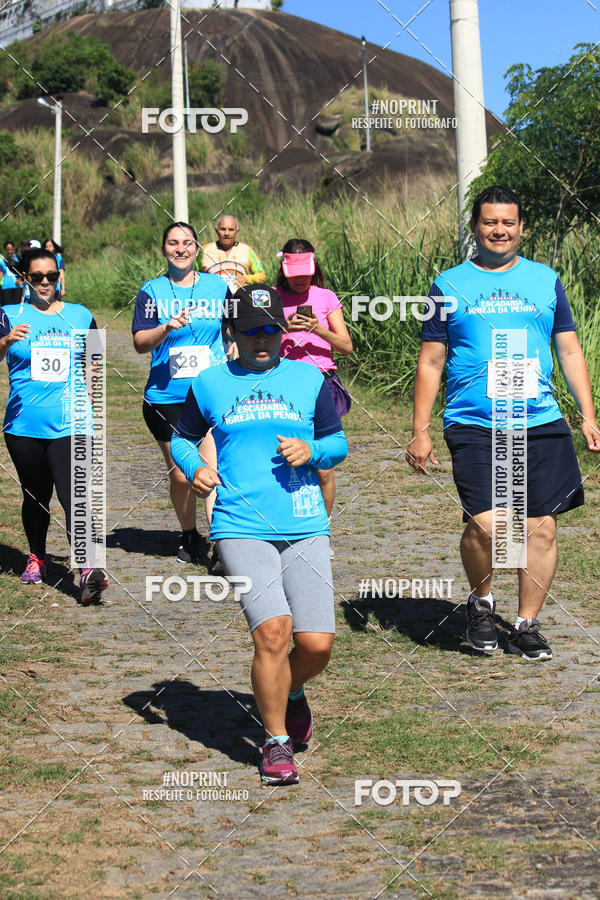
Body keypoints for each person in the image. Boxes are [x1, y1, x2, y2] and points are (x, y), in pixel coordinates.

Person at [407, 185, 600, 660]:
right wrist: (420, 429)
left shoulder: (545, 279)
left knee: (541, 528)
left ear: (520, 228)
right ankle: (481, 601)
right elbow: (431, 360)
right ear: (475, 227)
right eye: (490, 222)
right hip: (475, 420)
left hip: (539, 418)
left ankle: (526, 623)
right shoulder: (447, 283)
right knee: (490, 526)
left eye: (508, 222)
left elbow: (569, 349)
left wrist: (589, 414)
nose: (500, 230)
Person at [171, 285, 347, 785]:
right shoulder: (209, 383)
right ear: (232, 333)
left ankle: (289, 691)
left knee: (316, 644)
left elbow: (338, 443)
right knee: (273, 632)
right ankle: (275, 743)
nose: (262, 339)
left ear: (283, 330)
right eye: (250, 330)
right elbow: (182, 438)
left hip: (304, 522)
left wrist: (311, 450)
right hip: (240, 525)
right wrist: (193, 467)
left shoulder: (309, 379)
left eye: (271, 328)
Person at [0, 248, 108, 604]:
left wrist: (88, 398)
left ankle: (89, 568)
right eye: (37, 277)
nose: (44, 283)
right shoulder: (9, 314)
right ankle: (36, 556)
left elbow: (94, 360)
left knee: (73, 493)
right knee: (36, 495)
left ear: (59, 277)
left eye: (50, 276)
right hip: (24, 424)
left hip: (72, 422)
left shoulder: (81, 315)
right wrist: (5, 341)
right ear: (25, 280)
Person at [132, 221, 230, 564]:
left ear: (198, 248)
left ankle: (220, 543)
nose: (180, 248)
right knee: (180, 473)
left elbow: (236, 328)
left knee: (212, 469)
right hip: (165, 398)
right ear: (164, 249)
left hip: (209, 395)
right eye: (173, 242)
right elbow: (139, 344)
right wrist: (164, 327)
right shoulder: (151, 290)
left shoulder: (219, 287)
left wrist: (234, 350)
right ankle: (189, 534)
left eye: (187, 242)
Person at [276, 239, 353, 528]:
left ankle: (322, 529)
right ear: (284, 270)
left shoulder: (326, 297)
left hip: (322, 385)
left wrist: (318, 329)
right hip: (283, 385)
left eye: (305, 274)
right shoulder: (272, 296)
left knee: (323, 468)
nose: (300, 280)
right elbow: (256, 339)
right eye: (294, 275)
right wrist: (282, 328)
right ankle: (284, 525)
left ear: (314, 268)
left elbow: (346, 345)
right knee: (284, 460)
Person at [200, 215, 266, 292]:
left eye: (231, 230)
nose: (227, 233)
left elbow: (262, 275)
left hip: (240, 299)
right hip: (213, 300)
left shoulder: (246, 250)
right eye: (223, 229)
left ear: (237, 232)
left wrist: (246, 279)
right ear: (216, 231)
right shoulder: (204, 250)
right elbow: (192, 274)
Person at [0, 241, 23, 306]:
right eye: (8, 249)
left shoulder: (18, 260)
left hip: (18, 287)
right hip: (6, 288)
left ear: (13, 249)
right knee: (7, 307)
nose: (10, 251)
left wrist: (22, 281)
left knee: (17, 307)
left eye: (11, 249)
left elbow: (22, 273)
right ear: (5, 250)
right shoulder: (2, 262)